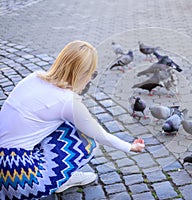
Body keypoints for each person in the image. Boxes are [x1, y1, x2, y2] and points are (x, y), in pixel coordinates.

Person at [0, 40, 145, 199]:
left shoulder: (33, 77)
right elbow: (100, 134)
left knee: (67, 123)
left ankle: (54, 171)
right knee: (87, 139)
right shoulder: (68, 101)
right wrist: (130, 147)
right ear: (84, 74)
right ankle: (60, 179)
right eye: (91, 73)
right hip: (19, 176)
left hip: (4, 165)